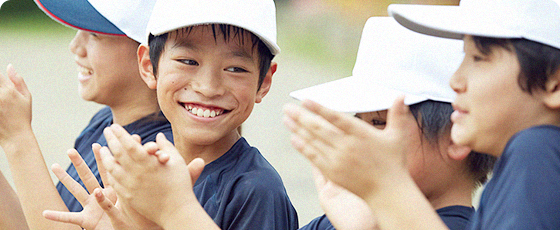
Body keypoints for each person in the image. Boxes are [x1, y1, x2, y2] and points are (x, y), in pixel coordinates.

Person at [284, 0, 560, 229]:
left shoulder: (536, 151)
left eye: (479, 58)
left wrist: (385, 188)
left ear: (554, 82)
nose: (456, 80)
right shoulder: (516, 171)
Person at [44, 0, 299, 229]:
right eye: (188, 62)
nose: (208, 87)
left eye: (235, 68)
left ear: (264, 82)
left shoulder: (256, 192)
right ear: (148, 66)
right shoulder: (146, 172)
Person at [288, 17, 495, 230]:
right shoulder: (343, 217)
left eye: (379, 122)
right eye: (358, 122)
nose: (360, 136)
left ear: (457, 136)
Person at [0, 0, 171, 229]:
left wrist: (17, 139)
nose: (75, 46)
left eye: (93, 34)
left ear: (147, 58)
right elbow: (34, 223)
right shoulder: (105, 122)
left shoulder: (158, 152)